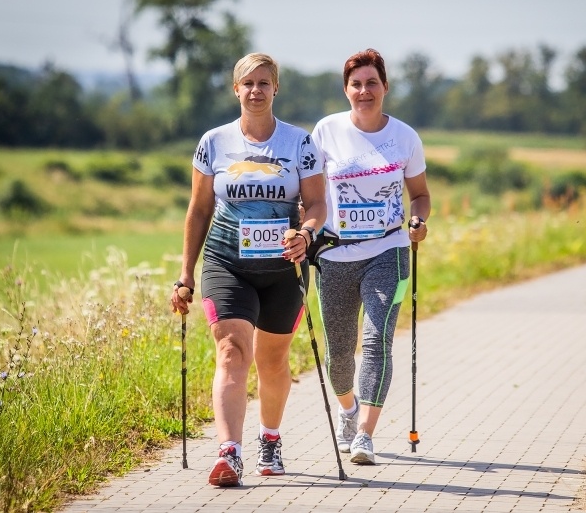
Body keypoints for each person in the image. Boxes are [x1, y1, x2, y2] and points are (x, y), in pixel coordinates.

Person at [170, 53, 326, 487]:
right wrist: (186, 272)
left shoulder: (299, 143)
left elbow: (316, 204)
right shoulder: (214, 142)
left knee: (272, 361)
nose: (256, 90)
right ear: (235, 90)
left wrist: (307, 234)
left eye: (264, 83)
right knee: (232, 351)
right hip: (226, 264)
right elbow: (199, 208)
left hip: (283, 267)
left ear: (276, 89)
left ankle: (270, 438)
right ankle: (229, 453)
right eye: (248, 83)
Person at [311, 48, 431, 465]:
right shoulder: (325, 131)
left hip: (388, 250)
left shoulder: (404, 137)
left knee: (376, 340)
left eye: (372, 83)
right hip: (335, 254)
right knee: (339, 351)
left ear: (385, 87)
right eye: (357, 84)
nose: (364, 91)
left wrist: (418, 222)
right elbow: (309, 195)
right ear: (346, 90)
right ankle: (347, 410)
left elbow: (420, 195)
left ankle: (364, 433)